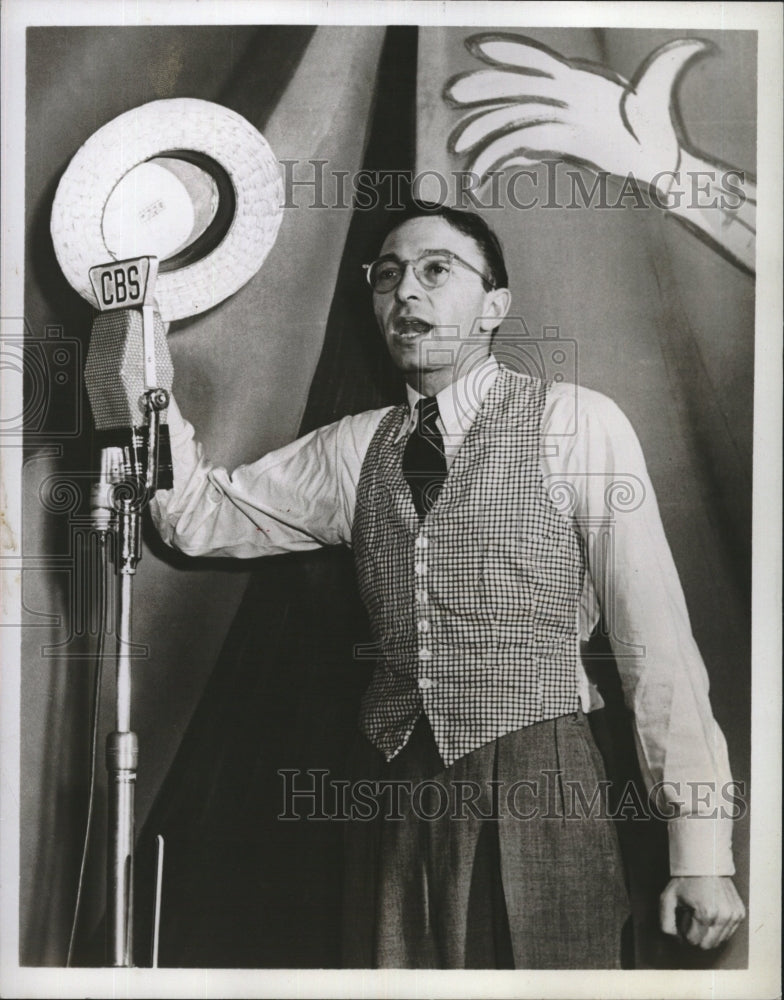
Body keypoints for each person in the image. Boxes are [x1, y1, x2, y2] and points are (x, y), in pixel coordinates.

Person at [151, 202, 745, 969]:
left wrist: (700, 851)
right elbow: (196, 518)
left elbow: (655, 645)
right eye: (387, 276)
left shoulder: (575, 422)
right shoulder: (354, 447)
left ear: (494, 306)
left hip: (541, 781)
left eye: (436, 270)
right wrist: (143, 361)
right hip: (392, 789)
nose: (405, 292)